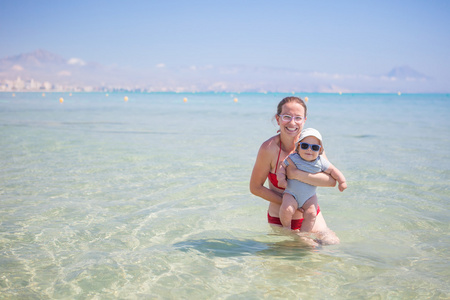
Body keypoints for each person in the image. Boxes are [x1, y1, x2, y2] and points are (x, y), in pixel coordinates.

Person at [249, 96, 340, 245]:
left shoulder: (311, 146)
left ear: (304, 120)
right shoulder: (269, 148)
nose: (292, 122)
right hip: (282, 219)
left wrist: (297, 174)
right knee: (302, 253)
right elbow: (255, 187)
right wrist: (290, 203)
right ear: (278, 119)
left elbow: (331, 181)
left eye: (298, 118)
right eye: (287, 117)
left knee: (332, 243)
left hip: (310, 215)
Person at [277, 128, 347, 233]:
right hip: (291, 194)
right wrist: (281, 178)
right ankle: (286, 228)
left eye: (314, 147)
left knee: (312, 214)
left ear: (320, 150)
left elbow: (333, 170)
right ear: (298, 147)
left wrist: (342, 181)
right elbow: (282, 166)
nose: (309, 150)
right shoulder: (293, 158)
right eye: (305, 146)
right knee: (287, 209)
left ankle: (304, 233)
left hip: (309, 197)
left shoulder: (321, 162)